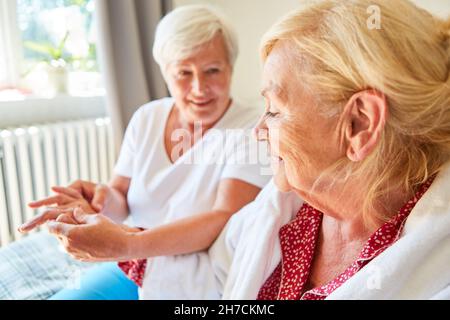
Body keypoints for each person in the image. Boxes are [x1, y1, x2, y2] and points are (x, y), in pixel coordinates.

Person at [17, 5, 270, 300]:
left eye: (212, 70)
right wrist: (98, 200)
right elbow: (120, 196)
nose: (199, 88)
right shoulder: (147, 117)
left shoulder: (253, 128)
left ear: (231, 67)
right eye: (184, 73)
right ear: (165, 72)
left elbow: (222, 217)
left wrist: (127, 244)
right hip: (137, 266)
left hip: (202, 278)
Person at [209, 0, 450, 299]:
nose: (258, 132)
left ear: (359, 124)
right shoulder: (283, 207)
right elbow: (208, 277)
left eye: (275, 110)